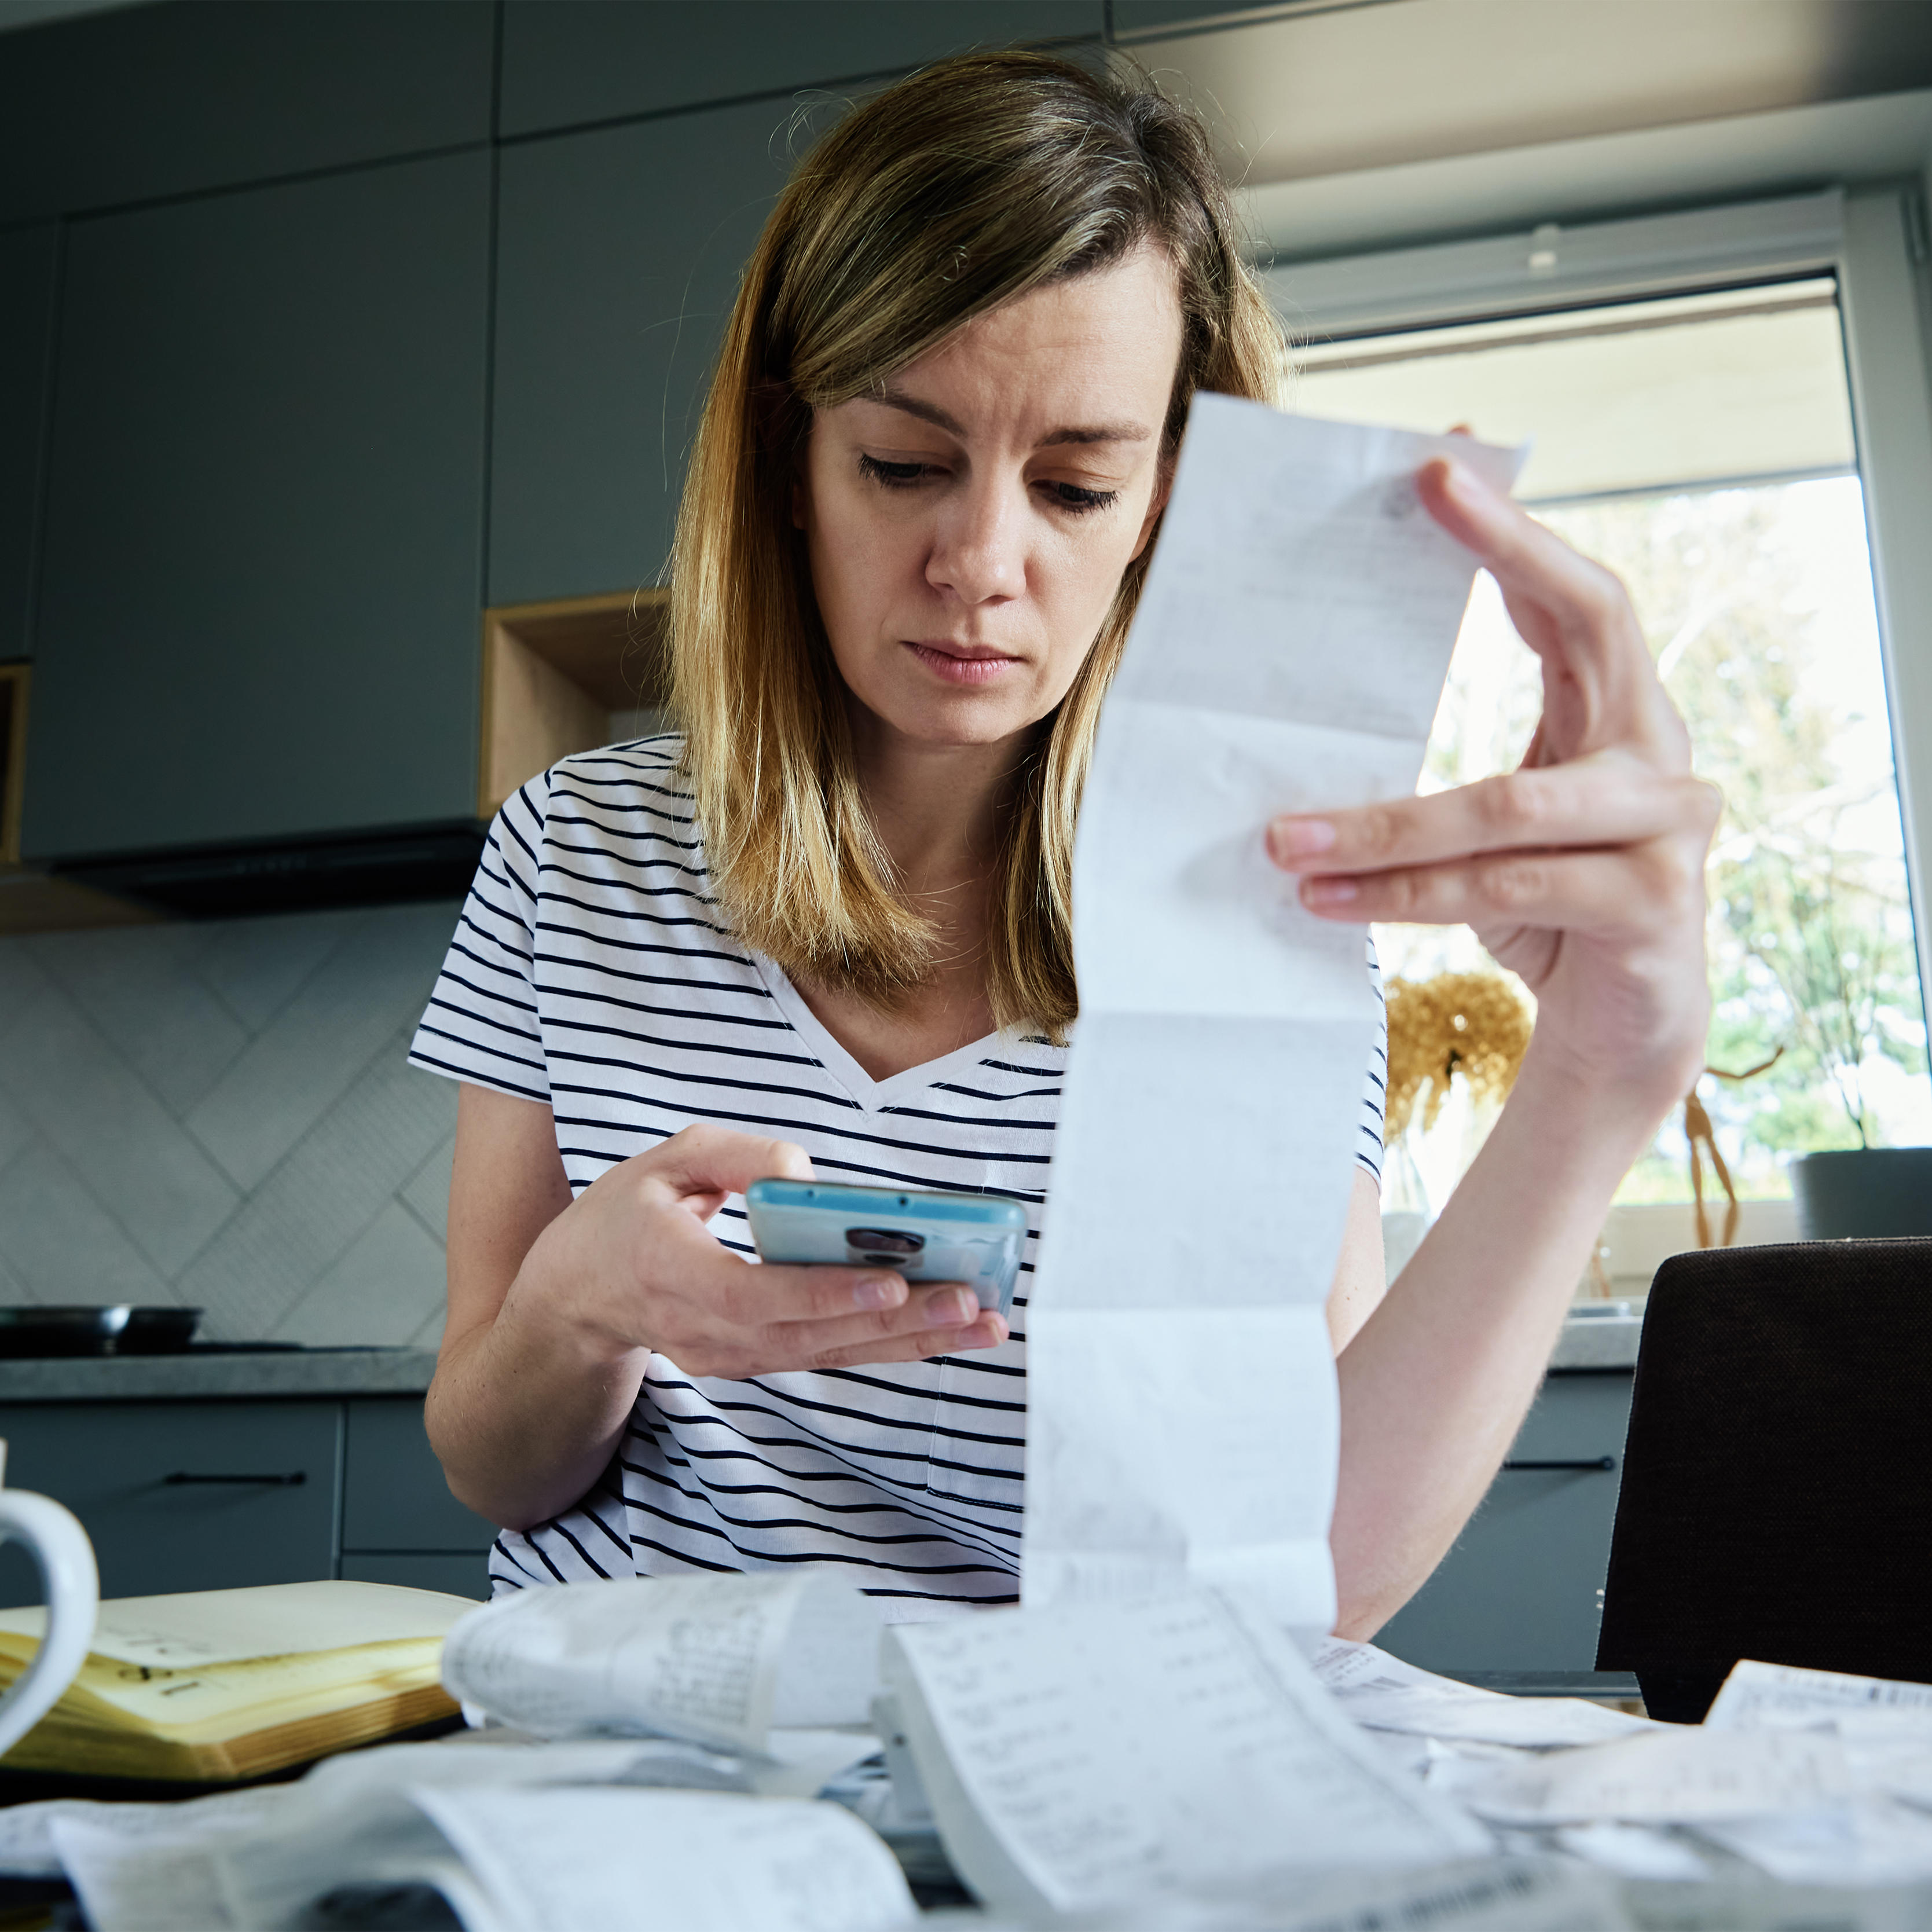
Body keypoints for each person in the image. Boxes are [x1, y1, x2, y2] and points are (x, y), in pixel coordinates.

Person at [409, 50, 1717, 1630]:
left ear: (1166, 499)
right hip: (611, 1740)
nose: (981, 562)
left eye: (1078, 485)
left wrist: (1597, 1076)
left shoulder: (1258, 916)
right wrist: (578, 1304)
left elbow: (1302, 1573)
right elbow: (493, 1469)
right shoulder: (573, 850)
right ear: (789, 460)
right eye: (904, 465)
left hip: (1036, 1754)